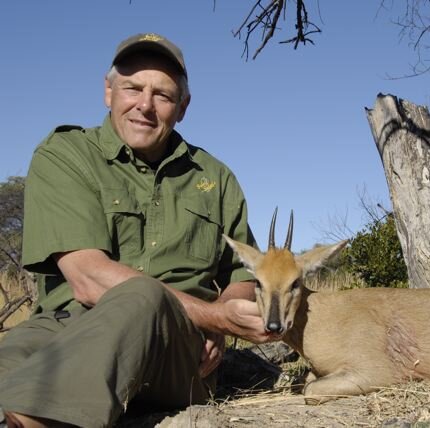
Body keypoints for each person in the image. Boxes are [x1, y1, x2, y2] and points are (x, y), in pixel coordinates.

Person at [0, 33, 277, 428]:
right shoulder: (65, 154)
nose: (145, 105)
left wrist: (219, 319)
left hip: (177, 348)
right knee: (11, 365)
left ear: (182, 107)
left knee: (142, 296)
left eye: (162, 95)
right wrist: (215, 315)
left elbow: (240, 273)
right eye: (133, 88)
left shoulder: (215, 178)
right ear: (108, 92)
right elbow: (88, 278)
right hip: (63, 326)